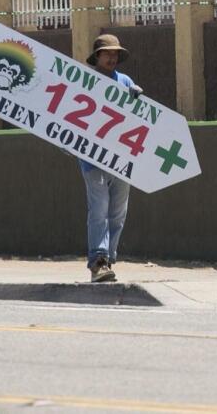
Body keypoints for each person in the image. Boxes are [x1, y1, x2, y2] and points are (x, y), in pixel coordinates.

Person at [81, 34, 139, 283]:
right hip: (92, 159)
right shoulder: (85, 81)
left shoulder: (124, 81)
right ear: (97, 57)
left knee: (118, 211)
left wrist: (137, 98)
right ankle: (98, 261)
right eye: (108, 53)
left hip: (121, 157)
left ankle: (109, 258)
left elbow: (138, 117)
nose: (112, 57)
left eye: (115, 54)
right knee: (99, 209)